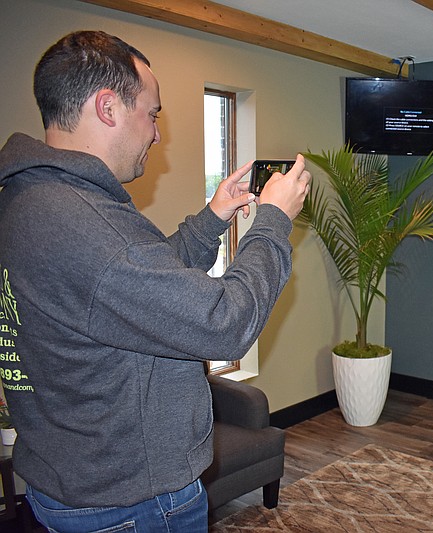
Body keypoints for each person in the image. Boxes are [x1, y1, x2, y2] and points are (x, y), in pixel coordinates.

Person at [0, 30, 310, 531]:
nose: (156, 133)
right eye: (152, 113)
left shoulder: (30, 202)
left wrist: (213, 217)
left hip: (68, 483)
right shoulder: (84, 222)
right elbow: (224, 322)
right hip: (131, 505)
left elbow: (129, 290)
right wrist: (272, 221)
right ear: (107, 107)